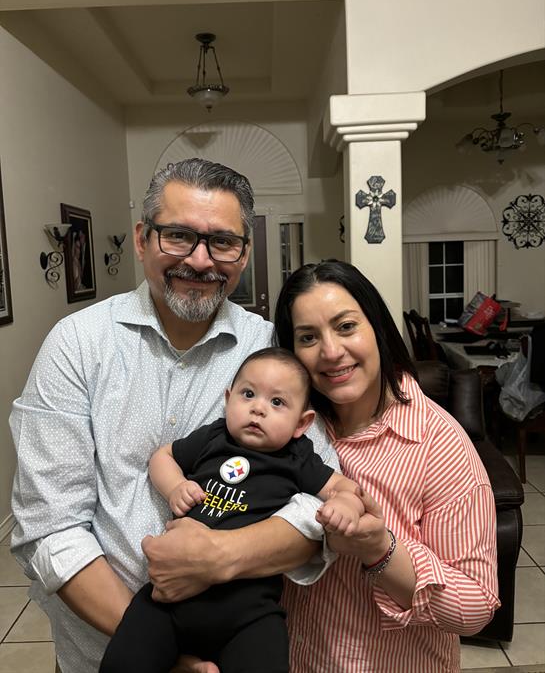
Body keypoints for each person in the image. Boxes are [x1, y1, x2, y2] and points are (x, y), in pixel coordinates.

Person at [10, 159, 338, 673]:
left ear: (244, 253)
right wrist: (155, 647)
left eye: (222, 242)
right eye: (179, 236)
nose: (200, 261)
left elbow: (314, 507)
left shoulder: (272, 353)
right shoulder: (76, 344)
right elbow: (51, 528)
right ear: (142, 239)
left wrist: (220, 555)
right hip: (102, 656)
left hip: (238, 648)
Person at [274, 260, 500, 673]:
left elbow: (475, 607)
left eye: (346, 326)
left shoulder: (437, 443)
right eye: (308, 337)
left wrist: (380, 550)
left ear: (377, 327)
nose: (331, 352)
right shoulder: (289, 429)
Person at [100, 347, 364, 673]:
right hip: (168, 600)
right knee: (122, 662)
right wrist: (175, 487)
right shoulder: (214, 437)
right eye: (248, 394)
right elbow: (162, 457)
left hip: (248, 611)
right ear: (228, 399)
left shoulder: (297, 457)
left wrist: (344, 503)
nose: (258, 408)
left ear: (302, 423)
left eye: (277, 402)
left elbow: (345, 488)